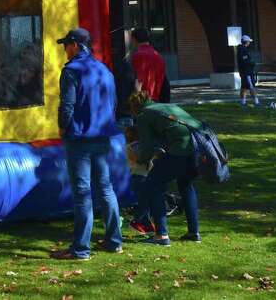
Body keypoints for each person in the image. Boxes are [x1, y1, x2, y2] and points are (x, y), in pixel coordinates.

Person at [53, 28, 122, 260]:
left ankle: (81, 249)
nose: (64, 50)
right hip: (102, 137)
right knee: (105, 188)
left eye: (65, 45)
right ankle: (114, 241)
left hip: (79, 138)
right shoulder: (104, 70)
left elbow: (67, 105)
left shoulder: (72, 71)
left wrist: (63, 127)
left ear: (74, 45)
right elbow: (114, 103)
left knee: (82, 193)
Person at [128, 90, 202, 245]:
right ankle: (193, 232)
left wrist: (142, 161)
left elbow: (147, 146)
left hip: (179, 151)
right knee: (186, 185)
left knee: (153, 185)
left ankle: (161, 235)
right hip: (196, 150)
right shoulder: (167, 107)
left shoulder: (144, 116)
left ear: (135, 108)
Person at [128, 28, 167, 103]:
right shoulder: (158, 56)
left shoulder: (138, 55)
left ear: (134, 39)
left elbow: (139, 81)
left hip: (144, 101)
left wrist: (137, 101)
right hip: (157, 100)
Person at [236, 35, 260, 107]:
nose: (249, 42)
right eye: (249, 41)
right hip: (247, 72)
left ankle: (243, 102)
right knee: (251, 86)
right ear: (246, 42)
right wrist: (252, 63)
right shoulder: (243, 50)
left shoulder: (241, 49)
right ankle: (256, 102)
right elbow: (245, 61)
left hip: (244, 72)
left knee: (244, 87)